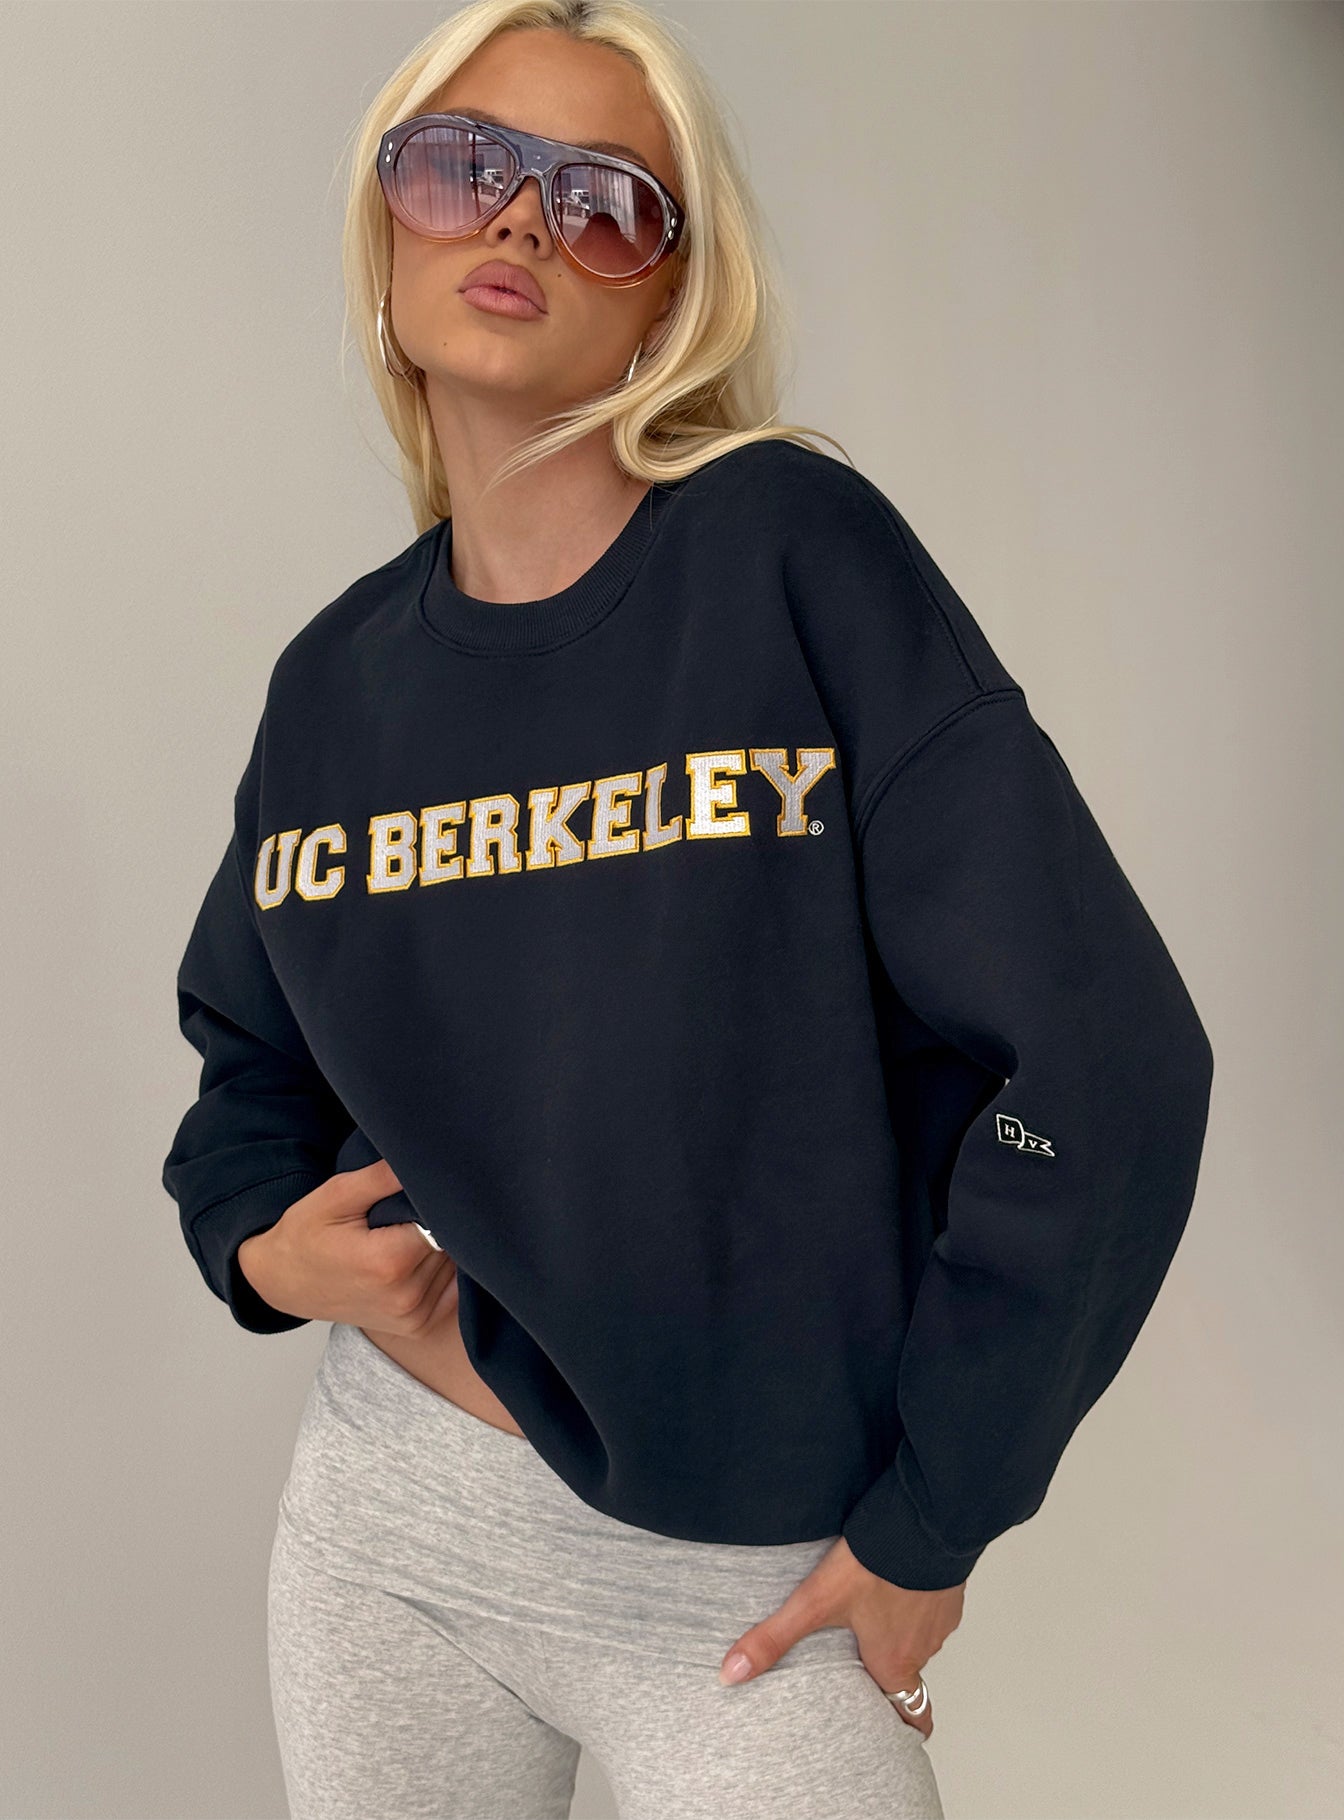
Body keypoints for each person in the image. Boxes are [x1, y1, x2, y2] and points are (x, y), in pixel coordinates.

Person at [160, 2, 1215, 1816]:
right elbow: (246, 1063)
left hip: (748, 1589)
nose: (519, 217)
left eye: (604, 202)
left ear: (669, 297)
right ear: (384, 227)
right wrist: (255, 1244)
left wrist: (940, 1510)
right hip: (393, 1537)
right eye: (462, 166)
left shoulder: (790, 555)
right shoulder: (335, 685)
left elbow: (1106, 1062)